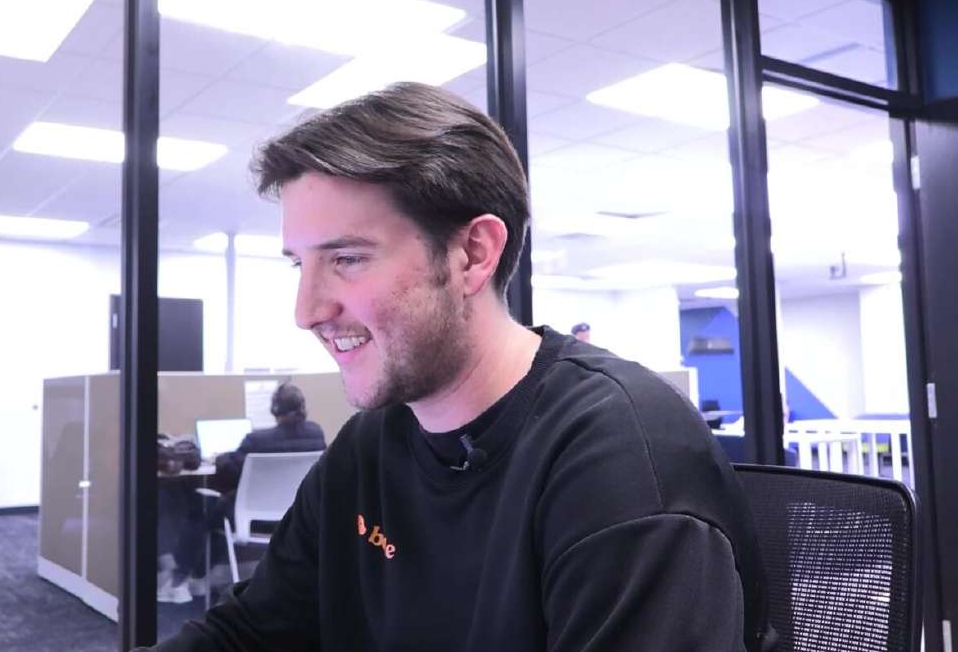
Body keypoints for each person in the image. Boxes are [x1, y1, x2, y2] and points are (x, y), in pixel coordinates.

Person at [141, 83, 774, 651]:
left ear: (473, 254)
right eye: (298, 265)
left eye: (349, 259)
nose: (307, 310)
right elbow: (249, 634)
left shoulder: (616, 456)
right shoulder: (372, 445)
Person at [157, 384, 325, 604]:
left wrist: (219, 457)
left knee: (204, 510)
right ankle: (198, 577)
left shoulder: (257, 440)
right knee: (217, 514)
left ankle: (179, 582)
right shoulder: (316, 433)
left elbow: (230, 470)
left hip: (250, 521)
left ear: (274, 409)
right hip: (294, 517)